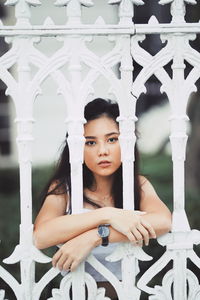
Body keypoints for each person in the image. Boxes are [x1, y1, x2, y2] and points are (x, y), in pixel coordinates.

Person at [33, 98, 172, 300]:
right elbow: (41, 236)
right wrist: (108, 214)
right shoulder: (64, 188)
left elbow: (163, 221)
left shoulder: (137, 185)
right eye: (90, 142)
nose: (103, 151)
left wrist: (95, 237)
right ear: (77, 146)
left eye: (112, 139)